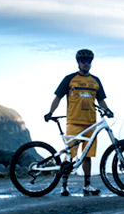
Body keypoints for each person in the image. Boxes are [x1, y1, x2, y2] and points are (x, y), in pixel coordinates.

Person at [44, 49, 113, 196]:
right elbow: (58, 97)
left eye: (88, 61)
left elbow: (101, 100)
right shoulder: (69, 79)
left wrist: (108, 110)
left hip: (91, 123)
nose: (86, 63)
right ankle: (64, 186)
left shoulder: (95, 81)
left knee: (87, 156)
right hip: (74, 122)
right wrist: (50, 112)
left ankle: (87, 185)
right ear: (78, 62)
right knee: (70, 155)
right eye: (83, 60)